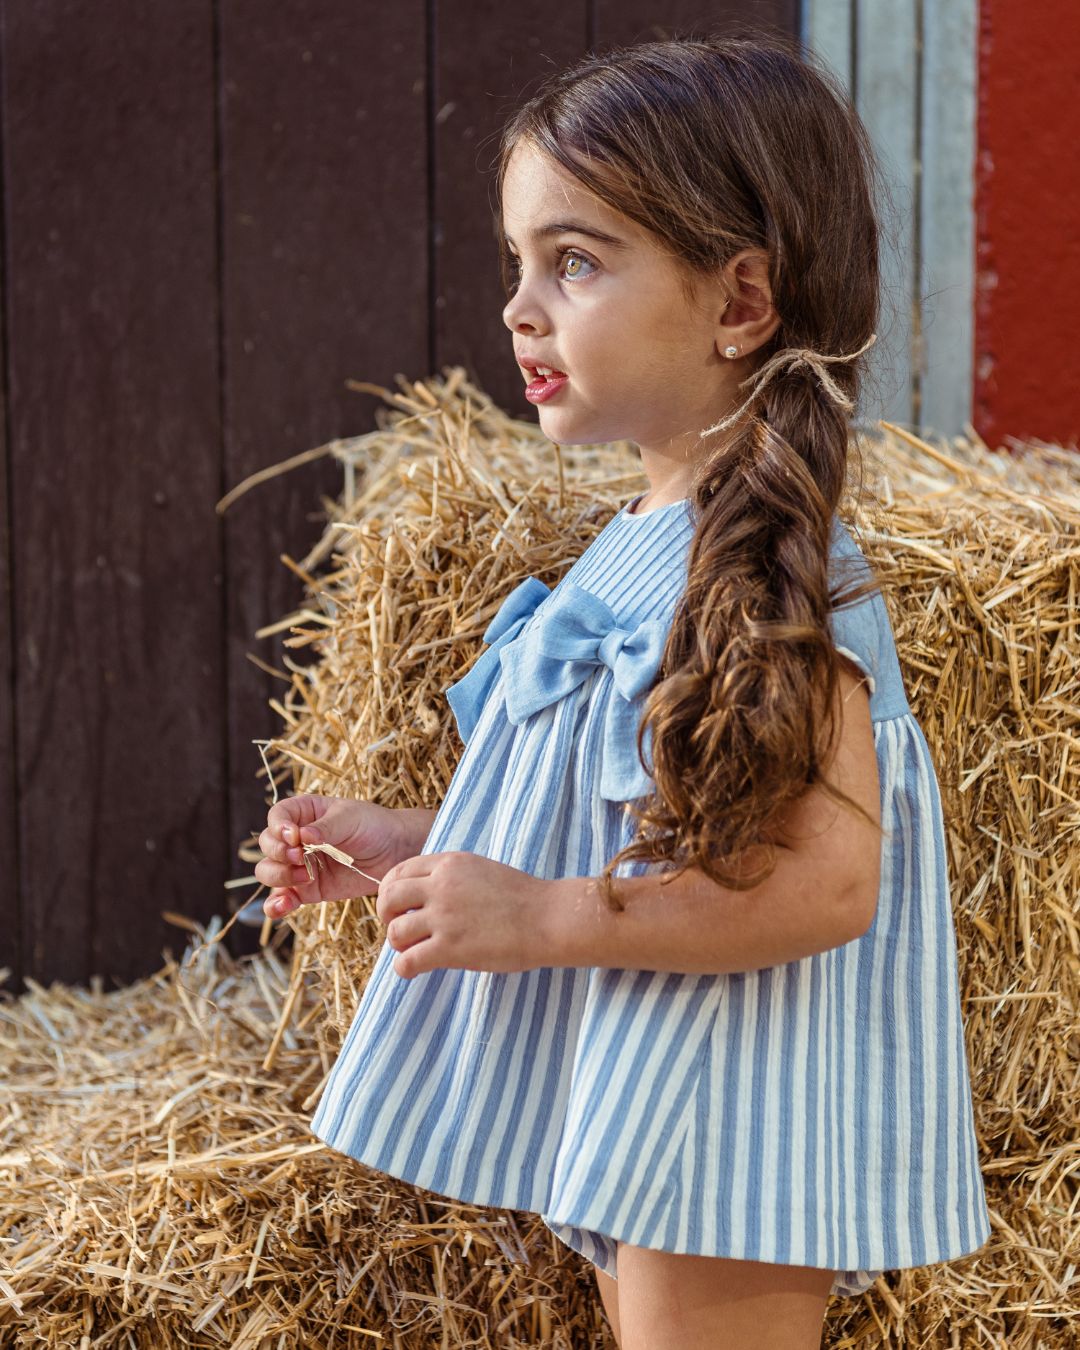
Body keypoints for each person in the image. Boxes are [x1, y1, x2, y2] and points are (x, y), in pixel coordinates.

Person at [254, 32, 990, 1350]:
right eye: (518, 264)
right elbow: (628, 812)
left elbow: (829, 885)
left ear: (741, 301)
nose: (519, 309)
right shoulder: (642, 541)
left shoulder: (778, 574)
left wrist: (540, 914)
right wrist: (416, 845)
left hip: (738, 1090)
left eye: (576, 262)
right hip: (653, 1052)